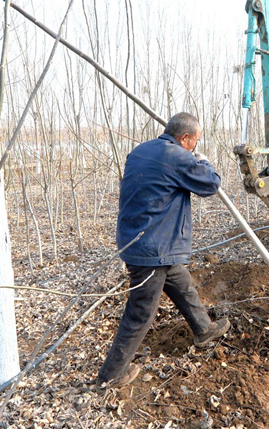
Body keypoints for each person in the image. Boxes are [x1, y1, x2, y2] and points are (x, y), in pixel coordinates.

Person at [97, 112, 230, 387]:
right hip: (151, 248)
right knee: (140, 313)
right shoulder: (178, 156)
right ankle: (110, 376)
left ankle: (203, 329)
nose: (195, 146)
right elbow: (211, 183)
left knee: (181, 283)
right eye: (195, 141)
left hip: (141, 239)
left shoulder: (140, 151)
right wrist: (202, 160)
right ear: (185, 138)